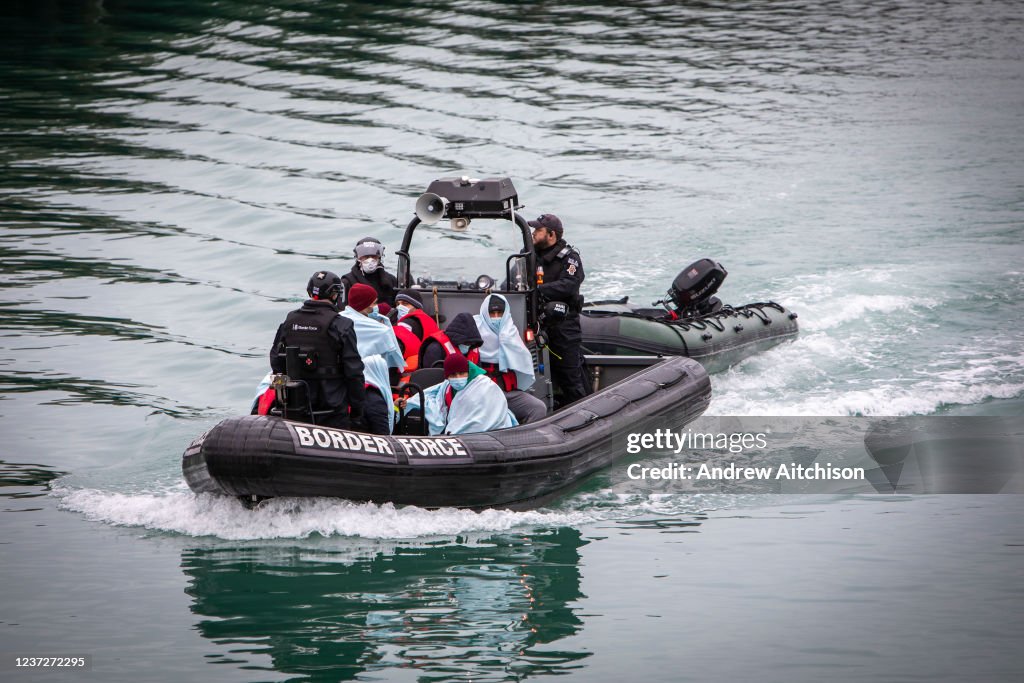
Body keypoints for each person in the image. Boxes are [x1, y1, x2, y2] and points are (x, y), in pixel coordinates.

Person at [268, 271, 366, 429]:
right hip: (331, 409)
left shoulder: (289, 321)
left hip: (295, 405)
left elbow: (276, 361)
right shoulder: (342, 325)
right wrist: (357, 411)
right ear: (335, 295)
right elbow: (354, 371)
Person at [529, 213, 589, 405]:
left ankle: (584, 415)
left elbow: (568, 285)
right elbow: (515, 280)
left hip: (564, 326)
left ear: (551, 235)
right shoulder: (529, 255)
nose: (533, 234)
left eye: (538, 230)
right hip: (537, 322)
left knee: (571, 377)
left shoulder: (569, 258)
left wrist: (538, 291)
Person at [339, 282, 406, 435]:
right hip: (370, 381)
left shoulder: (337, 321)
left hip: (343, 383)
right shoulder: (380, 330)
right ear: (365, 305)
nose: (377, 306)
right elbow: (391, 361)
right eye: (374, 302)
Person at [473, 294, 548, 424]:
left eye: (499, 313)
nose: (496, 317)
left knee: (538, 408)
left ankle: (525, 440)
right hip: (481, 395)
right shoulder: (474, 329)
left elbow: (523, 360)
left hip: (507, 393)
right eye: (492, 313)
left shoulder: (510, 330)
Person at [411, 353, 516, 435]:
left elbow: (482, 417)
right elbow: (431, 393)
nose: (458, 378)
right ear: (447, 377)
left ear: (468, 371)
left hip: (488, 434)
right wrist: (407, 403)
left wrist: (456, 432)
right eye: (453, 375)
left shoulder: (485, 385)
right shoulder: (447, 386)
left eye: (461, 373)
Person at [392, 288, 441, 377]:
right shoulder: (429, 320)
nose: (400, 307)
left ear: (416, 306)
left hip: (408, 373)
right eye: (397, 304)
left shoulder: (405, 324)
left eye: (405, 304)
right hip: (429, 369)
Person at [340, 236, 399, 307]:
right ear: (358, 258)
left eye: (373, 256)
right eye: (366, 257)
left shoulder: (391, 280)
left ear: (379, 257)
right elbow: (341, 308)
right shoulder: (347, 281)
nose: (370, 260)